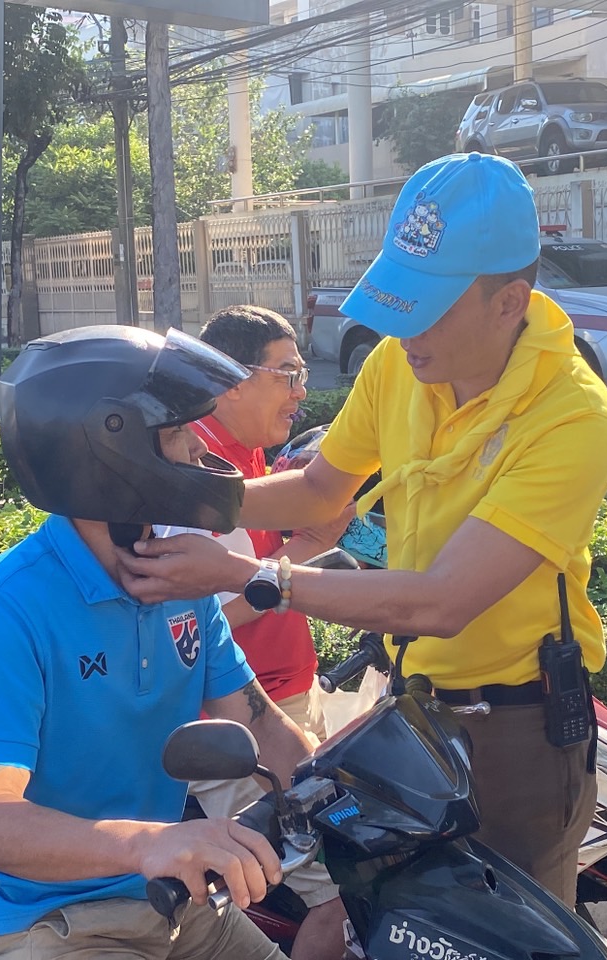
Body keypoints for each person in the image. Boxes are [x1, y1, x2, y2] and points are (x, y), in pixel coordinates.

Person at [117, 152, 607, 905]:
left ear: (509, 303)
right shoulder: (399, 364)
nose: (399, 327)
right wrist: (187, 494)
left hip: (516, 729)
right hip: (408, 709)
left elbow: (442, 602)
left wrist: (247, 577)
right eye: (397, 299)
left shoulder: (573, 417)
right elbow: (321, 489)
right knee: (365, 921)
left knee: (502, 934)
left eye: (427, 307)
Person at [0, 325, 314, 959]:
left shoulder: (180, 579)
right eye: (178, 432)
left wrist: (349, 790)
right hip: (53, 918)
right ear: (110, 448)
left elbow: (258, 721)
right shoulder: (11, 604)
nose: (199, 449)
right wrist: (150, 843)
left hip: (174, 901)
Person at [157, 305, 352, 960]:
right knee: (339, 898)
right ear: (234, 380)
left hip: (280, 704)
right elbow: (209, 610)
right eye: (288, 374)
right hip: (233, 724)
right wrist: (303, 554)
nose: (301, 392)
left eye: (302, 375)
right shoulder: (201, 468)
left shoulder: (251, 456)